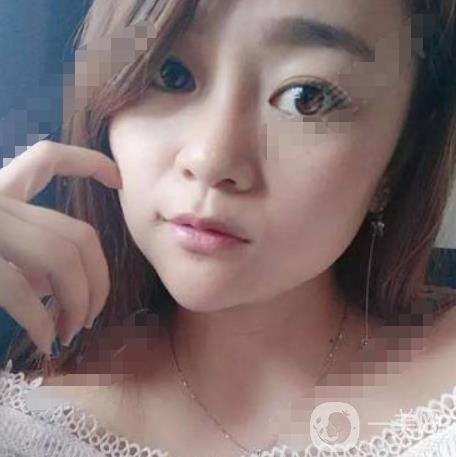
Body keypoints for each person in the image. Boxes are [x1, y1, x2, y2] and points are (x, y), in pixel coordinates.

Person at [0, 0, 455, 456]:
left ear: (399, 159)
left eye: (307, 98)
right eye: (171, 74)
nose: (211, 159)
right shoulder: (24, 420)